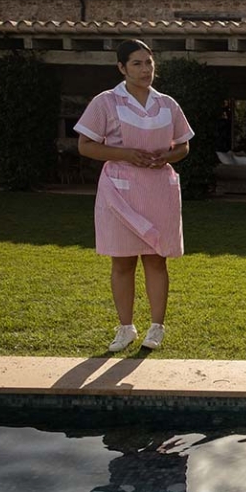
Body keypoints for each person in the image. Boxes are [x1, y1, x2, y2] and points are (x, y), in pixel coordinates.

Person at [75, 39, 193, 352]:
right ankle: (125, 328)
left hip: (157, 191)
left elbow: (183, 144)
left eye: (149, 63)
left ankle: (157, 327)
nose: (145, 70)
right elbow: (85, 145)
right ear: (122, 68)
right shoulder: (105, 102)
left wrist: (168, 157)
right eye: (137, 64)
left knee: (156, 261)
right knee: (123, 263)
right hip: (120, 193)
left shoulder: (167, 104)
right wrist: (125, 154)